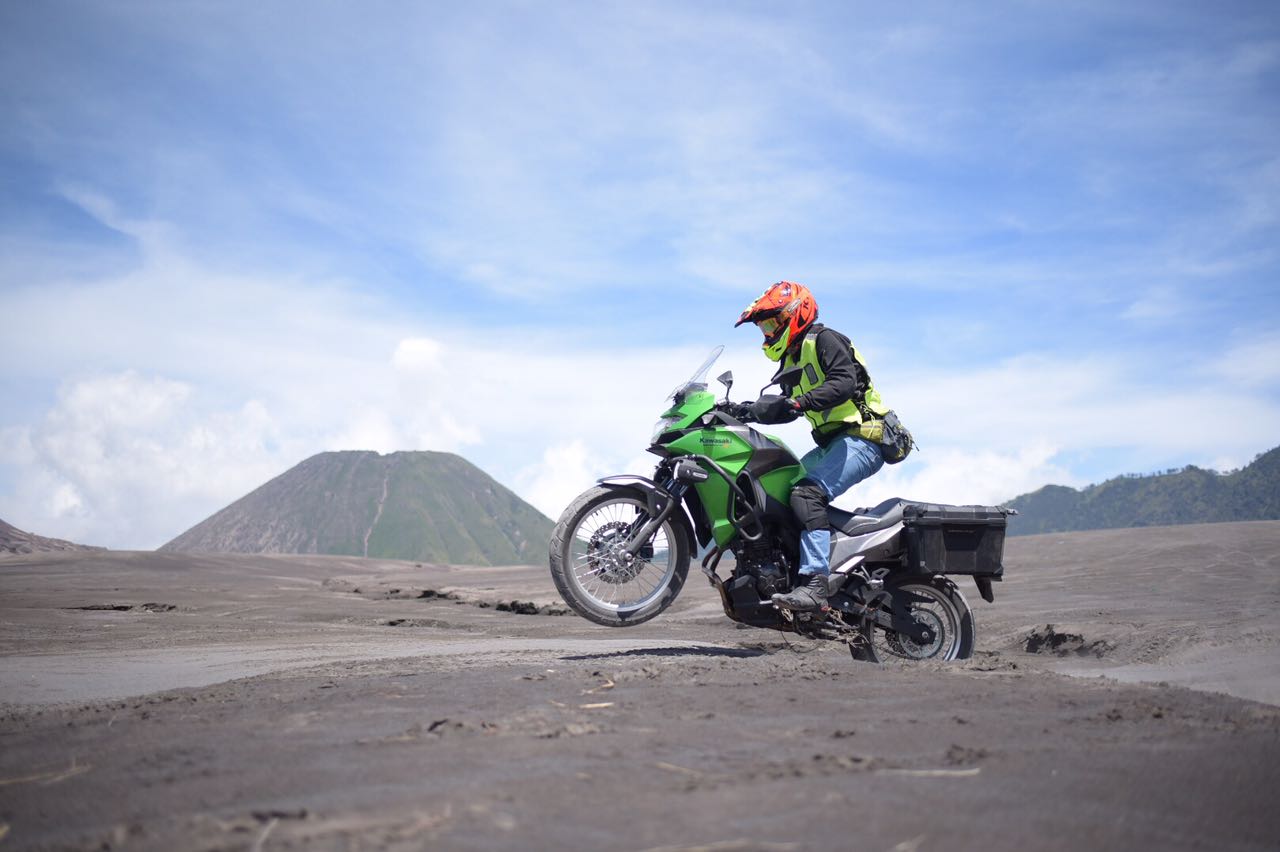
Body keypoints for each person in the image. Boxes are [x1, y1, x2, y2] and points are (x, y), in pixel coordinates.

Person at [734, 280, 894, 612]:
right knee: (778, 488)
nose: (767, 333)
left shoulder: (824, 339)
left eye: (771, 324)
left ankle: (816, 583)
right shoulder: (791, 359)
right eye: (764, 327)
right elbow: (785, 408)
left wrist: (799, 402)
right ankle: (787, 569)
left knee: (807, 494)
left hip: (865, 438)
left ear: (796, 313)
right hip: (835, 442)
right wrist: (741, 411)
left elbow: (844, 382)